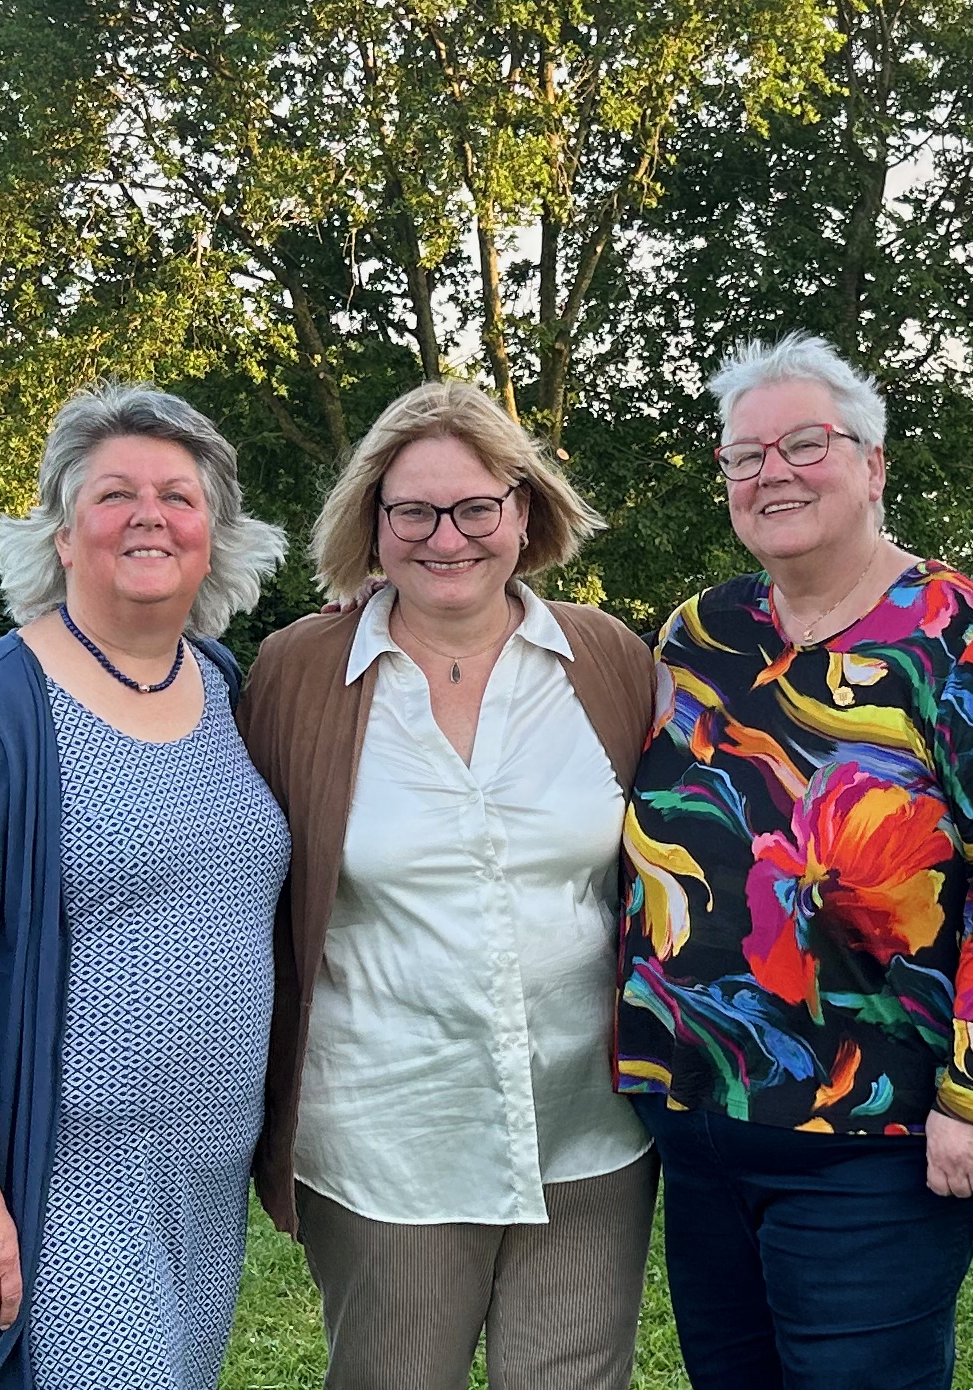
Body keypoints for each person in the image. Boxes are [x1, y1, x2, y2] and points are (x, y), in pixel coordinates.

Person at [615, 334, 973, 1389]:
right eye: (744, 457)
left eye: (804, 444)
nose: (771, 473)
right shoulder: (698, 633)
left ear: (873, 465)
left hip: (870, 1130)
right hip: (696, 1114)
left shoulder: (952, 634)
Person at [236, 381, 660, 1390]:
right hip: (388, 1137)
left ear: (522, 512)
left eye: (475, 507)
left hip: (588, 1130)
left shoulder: (607, 661)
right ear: (372, 524)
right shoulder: (296, 672)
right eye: (413, 511)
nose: (447, 537)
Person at [0, 384, 290, 1390]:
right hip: (66, 1182)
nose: (148, 512)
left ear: (213, 534)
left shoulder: (226, 682)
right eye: (113, 493)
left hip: (206, 1172)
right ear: (61, 533)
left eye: (177, 495)